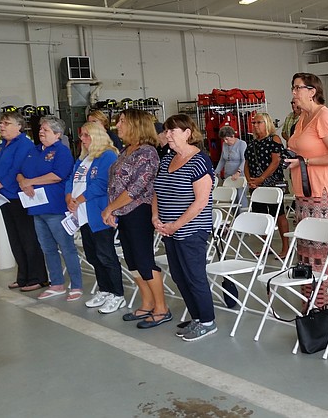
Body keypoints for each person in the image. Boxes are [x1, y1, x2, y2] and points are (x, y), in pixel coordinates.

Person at [285, 72, 328, 308]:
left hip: (322, 194)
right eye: (292, 88)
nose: (293, 93)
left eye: (297, 88)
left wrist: (305, 162)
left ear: (312, 91)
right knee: (307, 249)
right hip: (304, 191)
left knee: (324, 249)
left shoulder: (325, 116)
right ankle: (311, 300)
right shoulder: (302, 118)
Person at [104, 109, 170, 329]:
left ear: (136, 125)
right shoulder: (126, 150)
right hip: (123, 212)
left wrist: (110, 208)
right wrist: (113, 209)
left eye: (122, 121)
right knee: (132, 260)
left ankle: (162, 308)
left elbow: (135, 188)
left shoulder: (147, 152)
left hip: (138, 211)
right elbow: (115, 184)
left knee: (143, 259)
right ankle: (147, 302)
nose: (118, 126)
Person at [153, 114, 216, 341]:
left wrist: (176, 225)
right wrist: (155, 216)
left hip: (190, 229)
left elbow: (201, 201)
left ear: (187, 133)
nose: (167, 135)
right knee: (179, 276)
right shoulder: (167, 158)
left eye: (172, 131)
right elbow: (157, 191)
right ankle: (197, 317)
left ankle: (208, 321)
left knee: (194, 275)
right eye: (166, 131)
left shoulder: (200, 160)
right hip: (169, 228)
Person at [17, 117, 81, 301]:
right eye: (40, 129)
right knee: (48, 248)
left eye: (45, 130)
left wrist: (31, 181)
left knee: (66, 247)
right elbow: (20, 171)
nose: (41, 132)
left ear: (57, 134)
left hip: (55, 207)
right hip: (36, 208)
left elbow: (57, 176)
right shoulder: (34, 150)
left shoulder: (61, 151)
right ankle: (57, 283)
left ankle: (76, 285)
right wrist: (23, 182)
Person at [65, 122, 125, 313]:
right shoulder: (84, 158)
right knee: (93, 255)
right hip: (82, 216)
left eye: (85, 135)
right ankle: (104, 289)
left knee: (105, 255)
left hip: (98, 213)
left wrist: (78, 200)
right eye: (81, 136)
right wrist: (69, 197)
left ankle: (117, 294)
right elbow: (71, 179)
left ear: (96, 136)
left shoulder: (107, 155)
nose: (81, 139)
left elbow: (101, 184)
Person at [0, 112, 48, 291]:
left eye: (6, 123)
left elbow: (16, 169)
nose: (2, 126)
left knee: (27, 237)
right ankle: (23, 276)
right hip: (4, 198)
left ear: (19, 126)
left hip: (18, 197)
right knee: (15, 238)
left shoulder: (24, 144)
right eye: (1, 123)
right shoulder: (2, 146)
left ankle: (37, 276)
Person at [245, 112, 289, 256]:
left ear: (267, 123)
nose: (256, 126)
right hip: (256, 184)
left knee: (279, 214)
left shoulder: (274, 139)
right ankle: (266, 246)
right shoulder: (252, 143)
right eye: (254, 123)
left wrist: (262, 178)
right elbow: (247, 163)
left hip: (272, 183)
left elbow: (276, 161)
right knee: (262, 215)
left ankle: (285, 247)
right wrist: (250, 180)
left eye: (259, 122)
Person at [215, 126, 248, 209]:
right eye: (224, 139)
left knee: (240, 195)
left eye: (227, 139)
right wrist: (216, 172)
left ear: (233, 136)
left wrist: (238, 172)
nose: (225, 141)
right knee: (232, 197)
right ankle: (234, 217)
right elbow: (222, 159)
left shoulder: (242, 144)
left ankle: (243, 213)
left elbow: (244, 160)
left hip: (240, 173)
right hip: (228, 174)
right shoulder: (224, 145)